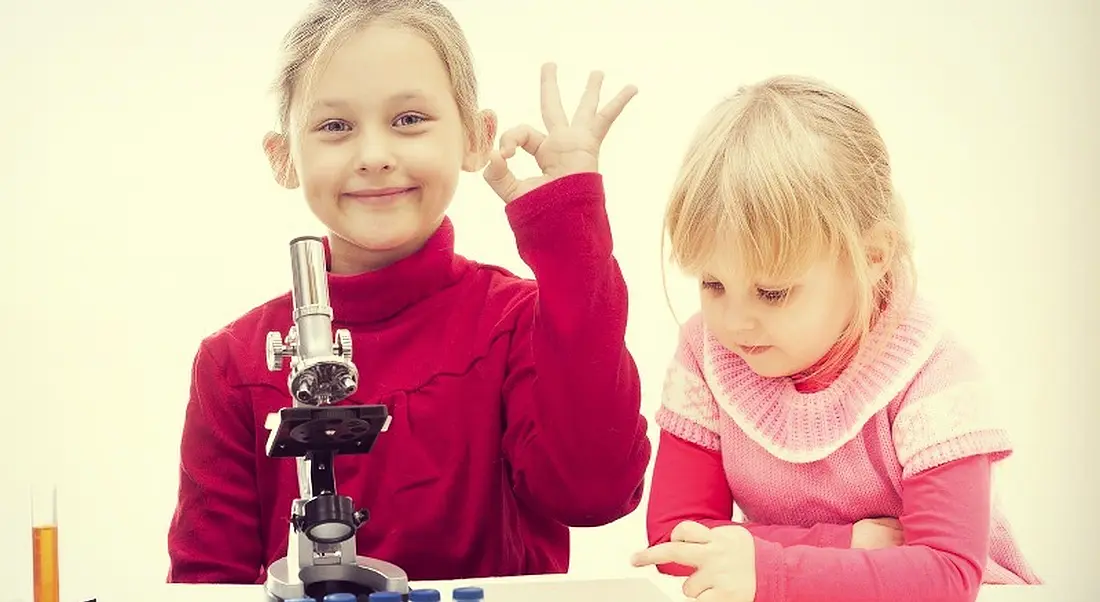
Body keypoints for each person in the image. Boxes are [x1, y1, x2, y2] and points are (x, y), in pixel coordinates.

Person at [166, 0, 651, 584]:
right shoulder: (232, 364)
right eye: (335, 127)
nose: (374, 156)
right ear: (283, 156)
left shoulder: (516, 322)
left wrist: (571, 236)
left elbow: (593, 492)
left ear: (477, 137)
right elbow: (207, 583)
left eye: (409, 120)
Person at [629, 75, 1041, 602]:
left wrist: (772, 569)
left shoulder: (931, 373)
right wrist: (841, 544)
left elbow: (948, 574)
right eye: (713, 284)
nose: (734, 322)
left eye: (772, 292)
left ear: (871, 257)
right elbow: (675, 539)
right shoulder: (708, 351)